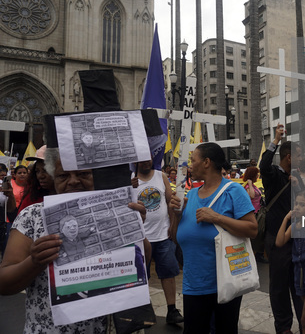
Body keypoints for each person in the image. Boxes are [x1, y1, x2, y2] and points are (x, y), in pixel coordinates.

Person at [0, 147, 152, 333]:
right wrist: (34, 262)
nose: (73, 181)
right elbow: (4, 282)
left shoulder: (113, 212)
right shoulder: (32, 216)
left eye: (83, 174)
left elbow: (144, 261)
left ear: (95, 176)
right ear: (53, 179)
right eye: (63, 176)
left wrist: (134, 228)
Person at [176, 143, 257, 334]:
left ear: (206, 162)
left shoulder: (233, 191)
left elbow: (253, 229)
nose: (190, 166)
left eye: (193, 160)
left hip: (225, 284)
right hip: (193, 285)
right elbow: (176, 237)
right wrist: (176, 214)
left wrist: (217, 217)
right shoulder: (192, 194)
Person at [260, 124, 304, 333]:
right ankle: (284, 327)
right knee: (279, 287)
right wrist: (275, 140)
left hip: (296, 238)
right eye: (298, 155)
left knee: (299, 285)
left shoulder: (296, 178)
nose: (301, 159)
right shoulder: (274, 175)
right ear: (288, 157)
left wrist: (299, 185)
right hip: (276, 238)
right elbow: (264, 165)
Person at [133, 158, 184, 325]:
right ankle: (143, 311)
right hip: (141, 239)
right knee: (141, 277)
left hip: (163, 235)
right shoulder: (131, 179)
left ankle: (172, 310)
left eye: (148, 159)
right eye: (142, 160)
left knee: (169, 273)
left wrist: (173, 224)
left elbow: (171, 201)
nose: (146, 162)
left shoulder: (161, 176)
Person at [276, 191, 305, 334]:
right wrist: (285, 219)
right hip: (298, 273)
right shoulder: (295, 226)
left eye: (302, 205)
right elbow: (279, 242)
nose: (297, 207)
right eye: (296, 204)